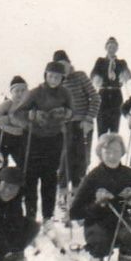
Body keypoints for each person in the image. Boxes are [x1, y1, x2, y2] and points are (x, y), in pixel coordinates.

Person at [69, 133, 131, 261]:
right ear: (100, 152)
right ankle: (97, 258)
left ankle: (125, 257)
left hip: (123, 221)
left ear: (122, 152)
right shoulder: (92, 177)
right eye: (107, 151)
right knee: (100, 242)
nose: (112, 155)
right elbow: (74, 212)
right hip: (98, 223)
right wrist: (97, 204)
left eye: (116, 151)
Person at [10, 61, 73, 226]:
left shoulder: (65, 93)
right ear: (45, 75)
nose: (54, 79)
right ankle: (30, 216)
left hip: (55, 139)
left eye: (57, 77)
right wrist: (32, 115)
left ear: (62, 78)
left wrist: (65, 113)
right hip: (34, 139)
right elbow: (17, 114)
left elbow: (71, 112)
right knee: (31, 177)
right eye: (51, 75)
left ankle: (47, 216)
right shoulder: (35, 93)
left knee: (50, 177)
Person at [54, 50, 101, 206]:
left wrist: (88, 118)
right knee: (64, 158)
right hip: (64, 125)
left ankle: (78, 192)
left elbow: (95, 97)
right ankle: (62, 193)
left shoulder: (80, 76)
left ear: (69, 64)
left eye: (64, 65)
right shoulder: (56, 82)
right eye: (59, 66)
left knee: (81, 158)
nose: (63, 69)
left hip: (82, 123)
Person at [91, 37, 131, 137]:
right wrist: (97, 78)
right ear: (106, 48)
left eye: (114, 47)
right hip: (103, 94)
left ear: (117, 48)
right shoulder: (100, 61)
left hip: (116, 94)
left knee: (115, 125)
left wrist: (124, 75)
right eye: (110, 46)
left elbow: (128, 75)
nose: (111, 49)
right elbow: (93, 74)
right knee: (101, 125)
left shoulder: (121, 62)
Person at [0, 75, 29, 170]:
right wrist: (6, 119)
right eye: (17, 91)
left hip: (21, 138)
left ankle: (20, 183)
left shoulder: (29, 105)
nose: (20, 93)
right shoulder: (7, 105)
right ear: (11, 92)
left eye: (23, 90)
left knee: (24, 165)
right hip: (3, 136)